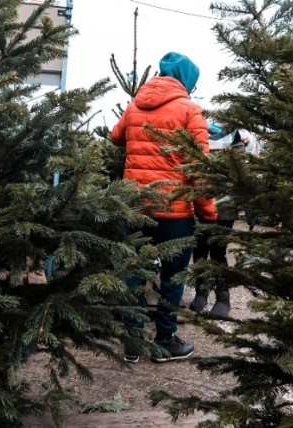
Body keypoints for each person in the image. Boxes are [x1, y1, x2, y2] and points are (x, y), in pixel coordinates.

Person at [110, 52, 217, 363]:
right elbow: (199, 169)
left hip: (134, 207)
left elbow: (116, 137)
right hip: (175, 212)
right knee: (173, 276)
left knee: (132, 272)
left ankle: (131, 341)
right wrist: (209, 212)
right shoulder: (190, 111)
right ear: (187, 81)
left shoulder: (134, 105)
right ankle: (165, 341)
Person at [189, 122, 252, 316]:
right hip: (200, 203)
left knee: (218, 251)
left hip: (224, 206)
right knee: (199, 249)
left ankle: (223, 298)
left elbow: (243, 177)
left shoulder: (237, 141)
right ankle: (201, 292)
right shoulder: (197, 137)